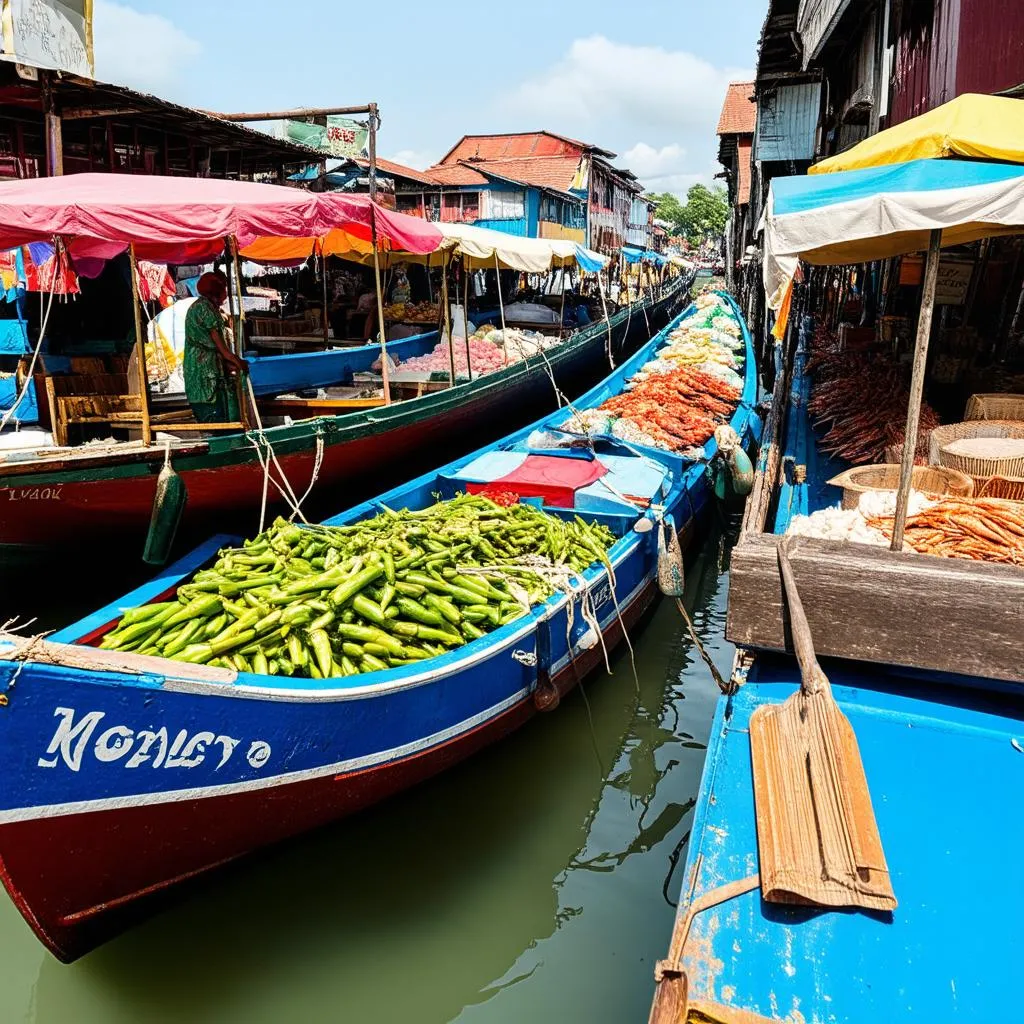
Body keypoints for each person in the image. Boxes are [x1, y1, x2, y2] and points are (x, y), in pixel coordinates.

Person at [183, 271, 244, 423]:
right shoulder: (204, 309)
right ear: (218, 290)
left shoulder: (208, 307)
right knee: (215, 419)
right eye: (224, 288)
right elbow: (223, 349)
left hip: (209, 370)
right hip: (204, 373)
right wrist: (239, 362)